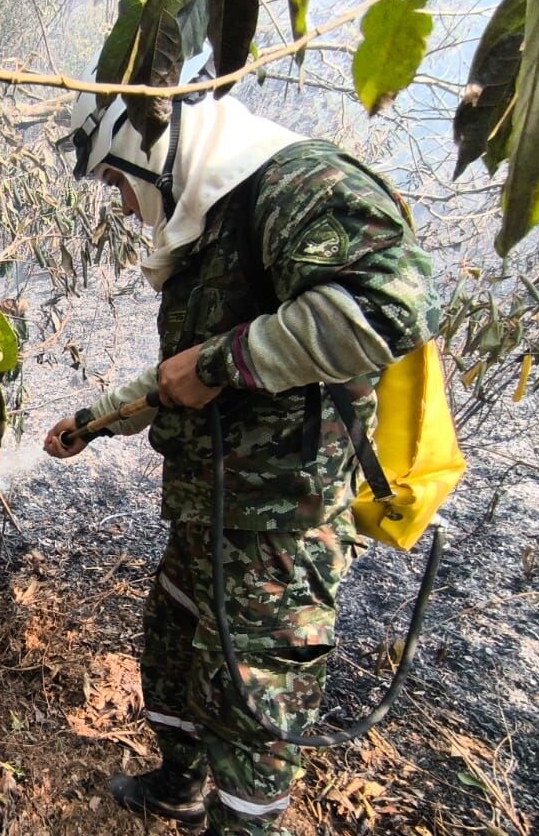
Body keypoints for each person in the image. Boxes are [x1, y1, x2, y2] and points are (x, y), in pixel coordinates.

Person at [44, 56, 440, 836]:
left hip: (281, 532)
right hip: (210, 517)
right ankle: (177, 790)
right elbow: (177, 376)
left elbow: (390, 305)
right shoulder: (213, 222)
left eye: (119, 186)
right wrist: (93, 420)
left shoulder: (296, 184)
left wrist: (223, 361)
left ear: (154, 154)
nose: (124, 209)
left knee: (254, 713)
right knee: (174, 651)